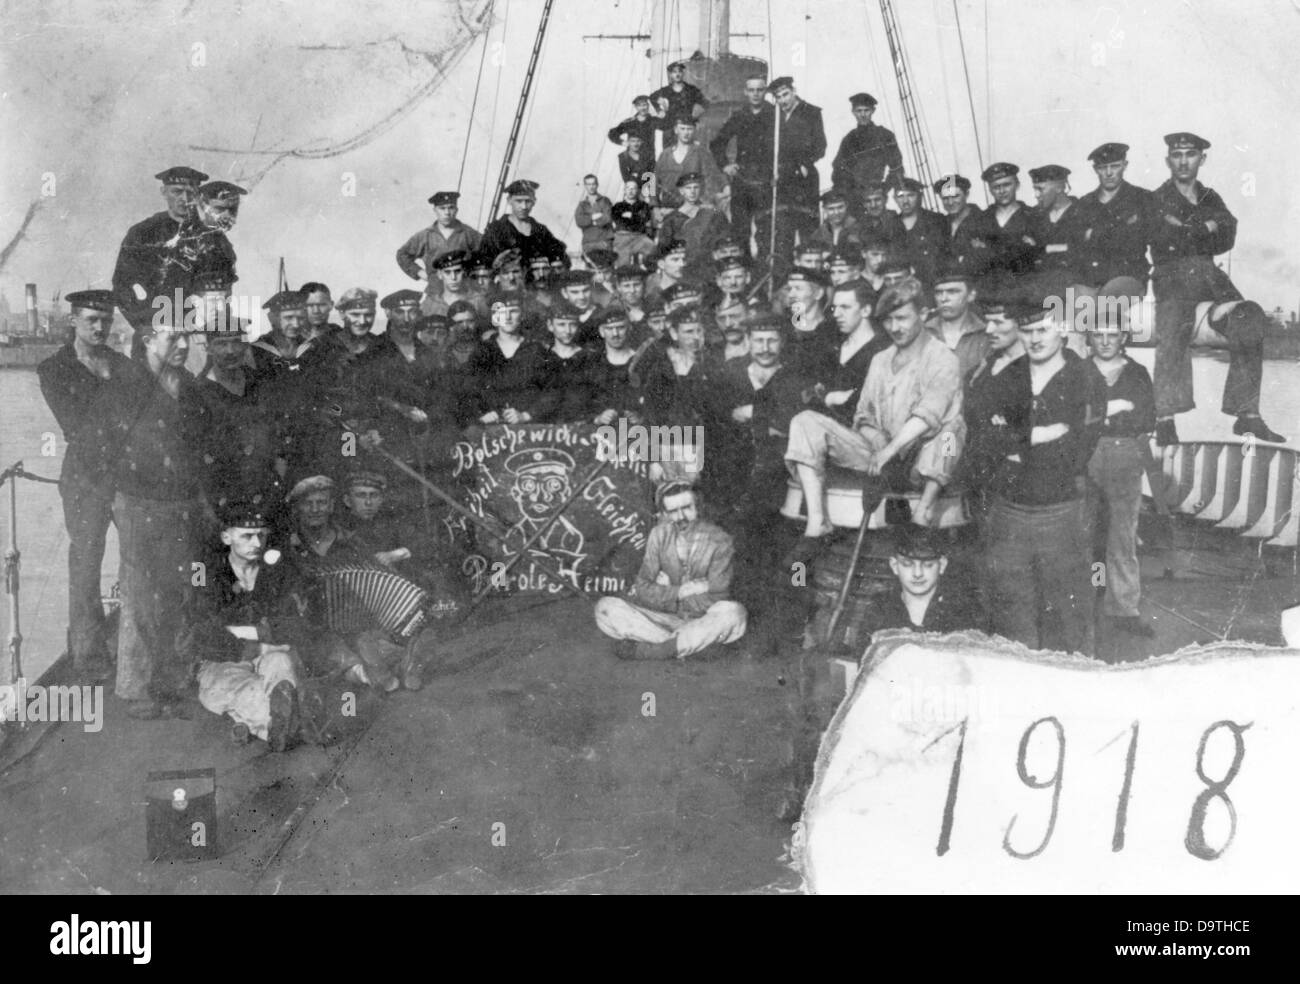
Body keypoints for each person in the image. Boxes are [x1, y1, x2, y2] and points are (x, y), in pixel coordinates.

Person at [784, 278, 963, 560]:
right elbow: (863, 415)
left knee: (951, 431)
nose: (895, 327)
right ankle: (817, 523)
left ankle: (923, 513)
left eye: (902, 318)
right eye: (889, 320)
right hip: (879, 453)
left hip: (923, 461)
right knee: (805, 420)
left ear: (924, 315)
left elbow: (929, 414)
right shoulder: (881, 359)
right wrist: (879, 443)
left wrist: (890, 451)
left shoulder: (943, 358)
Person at [89, 322, 204, 719]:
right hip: (139, 501)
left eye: (188, 337)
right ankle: (137, 686)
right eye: (173, 338)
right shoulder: (126, 385)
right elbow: (102, 441)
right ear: (148, 341)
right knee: (139, 592)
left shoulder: (188, 385)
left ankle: (172, 677)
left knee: (178, 589)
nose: (184, 345)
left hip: (180, 500)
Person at [984, 300, 1105, 655]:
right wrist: (1045, 432)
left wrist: (1017, 441)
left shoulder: (1086, 378)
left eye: (1043, 330)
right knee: (1012, 609)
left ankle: (1078, 688)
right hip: (1010, 511)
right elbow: (987, 439)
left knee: (1071, 612)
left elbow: (1077, 450)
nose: (1034, 338)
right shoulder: (1008, 376)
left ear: (1063, 329)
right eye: (1027, 330)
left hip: (1063, 511)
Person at [1148, 131, 1282, 445]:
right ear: (1169, 159)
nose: (1183, 161)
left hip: (1210, 279)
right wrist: (1206, 227)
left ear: (1201, 159)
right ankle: (1164, 419)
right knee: (1172, 330)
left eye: (1190, 155)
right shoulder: (1156, 199)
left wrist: (1193, 230)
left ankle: (1247, 415)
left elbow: (1228, 232)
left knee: (1249, 317)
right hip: (1173, 279)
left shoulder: (1210, 197)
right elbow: (1168, 240)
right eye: (1177, 155)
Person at [37, 290, 134, 678]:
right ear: (73, 321)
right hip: (85, 479)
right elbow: (76, 426)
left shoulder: (123, 365)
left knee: (139, 560)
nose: (100, 327)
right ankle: (90, 657)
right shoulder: (54, 369)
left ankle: (134, 650)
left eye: (105, 320)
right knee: (86, 563)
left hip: (128, 476)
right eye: (91, 319)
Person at [180, 500, 319, 750]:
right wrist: (263, 640)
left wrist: (247, 632)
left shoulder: (280, 572)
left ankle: (268, 724)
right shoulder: (204, 573)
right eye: (247, 536)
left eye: (261, 535)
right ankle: (286, 723)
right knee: (238, 687)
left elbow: (298, 626)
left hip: (269, 654)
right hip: (222, 663)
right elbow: (202, 631)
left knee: (282, 664)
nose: (256, 543)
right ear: (226, 537)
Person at [594, 482, 746, 660]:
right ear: (665, 514)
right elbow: (643, 588)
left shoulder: (720, 541)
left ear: (699, 507)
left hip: (704, 620)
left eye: (687, 508)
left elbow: (719, 595)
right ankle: (688, 647)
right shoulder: (659, 535)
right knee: (605, 608)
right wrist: (683, 591)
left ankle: (658, 650)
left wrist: (665, 592)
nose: (681, 516)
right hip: (667, 620)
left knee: (734, 612)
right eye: (673, 511)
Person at [1084, 312, 1156, 639]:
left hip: (1125, 455)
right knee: (1084, 533)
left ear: (1124, 337)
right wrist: (1118, 405)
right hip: (1083, 452)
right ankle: (1088, 599)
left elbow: (1146, 417)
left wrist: (1100, 412)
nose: (1105, 341)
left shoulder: (1138, 373)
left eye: (1112, 335)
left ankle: (1124, 608)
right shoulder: (1078, 370)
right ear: (1089, 338)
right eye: (1098, 335)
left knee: (1122, 535)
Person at [110, 167, 230, 358]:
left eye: (191, 193)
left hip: (200, 337)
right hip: (156, 337)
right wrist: (146, 325)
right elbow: (122, 285)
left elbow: (224, 289)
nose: (184, 198)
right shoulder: (143, 233)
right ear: (164, 192)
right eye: (177, 191)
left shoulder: (214, 238)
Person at [862, 525, 981, 637]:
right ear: (894, 565)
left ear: (942, 565)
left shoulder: (963, 610)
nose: (917, 573)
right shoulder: (880, 608)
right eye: (907, 564)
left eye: (928, 565)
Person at [459, 292, 549, 427]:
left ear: (522, 315)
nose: (507, 317)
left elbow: (552, 390)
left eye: (513, 311)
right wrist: (481, 414)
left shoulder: (537, 350)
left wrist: (526, 415)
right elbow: (468, 389)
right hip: (491, 429)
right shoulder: (482, 352)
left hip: (530, 428)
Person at [1072, 142, 1154, 289]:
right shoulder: (1084, 203)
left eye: (1115, 166)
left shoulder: (1142, 198)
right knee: (1073, 302)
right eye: (1103, 168)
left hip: (1128, 277)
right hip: (1091, 279)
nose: (1109, 173)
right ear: (1095, 169)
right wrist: (1120, 232)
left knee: (1104, 305)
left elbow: (1143, 239)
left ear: (1125, 165)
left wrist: (1094, 234)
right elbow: (1077, 246)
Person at [709, 72, 775, 250]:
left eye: (760, 90)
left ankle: (762, 271)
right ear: (745, 92)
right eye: (751, 90)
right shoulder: (739, 116)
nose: (755, 94)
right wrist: (725, 165)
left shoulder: (775, 115)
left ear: (765, 91)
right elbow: (717, 143)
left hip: (767, 181)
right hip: (743, 180)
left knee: (766, 231)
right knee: (740, 231)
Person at [395, 190, 483, 302]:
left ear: (456, 210)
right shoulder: (425, 236)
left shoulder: (468, 234)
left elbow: (487, 253)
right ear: (435, 210)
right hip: (435, 293)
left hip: (464, 294)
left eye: (451, 207)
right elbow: (402, 254)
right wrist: (420, 273)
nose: (447, 212)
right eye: (442, 208)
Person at [971, 162, 1039, 287]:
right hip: (990, 289)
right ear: (990, 190)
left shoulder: (1033, 216)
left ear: (1017, 185)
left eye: (1007, 185)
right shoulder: (980, 220)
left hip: (1025, 288)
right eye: (996, 187)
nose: (1002, 191)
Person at [768, 76, 826, 220]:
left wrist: (805, 164)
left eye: (785, 94)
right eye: (778, 97)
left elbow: (820, 145)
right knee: (784, 227)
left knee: (807, 225)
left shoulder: (811, 112)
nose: (783, 100)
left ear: (794, 91)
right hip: (781, 178)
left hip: (804, 177)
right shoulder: (775, 116)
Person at [1026, 164, 1088, 296]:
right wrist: (1061, 248)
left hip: (1077, 284)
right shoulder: (1034, 215)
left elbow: (1084, 251)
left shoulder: (1083, 212)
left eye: (1040, 189)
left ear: (1059, 188)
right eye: (1034, 189)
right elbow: (1027, 252)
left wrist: (1044, 248)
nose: (1036, 195)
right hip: (1042, 283)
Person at [830, 92, 903, 203]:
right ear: (853, 112)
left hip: (877, 195)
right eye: (859, 111)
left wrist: (884, 189)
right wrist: (849, 191)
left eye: (866, 110)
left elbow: (897, 168)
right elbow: (838, 170)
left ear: (873, 111)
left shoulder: (885, 135)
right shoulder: (849, 140)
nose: (863, 115)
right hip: (854, 197)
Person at [478, 179, 568, 269]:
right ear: (509, 200)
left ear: (534, 202)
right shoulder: (496, 231)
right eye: (519, 201)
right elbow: (483, 264)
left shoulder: (541, 231)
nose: (524, 206)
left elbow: (562, 258)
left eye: (528, 201)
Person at [657, 172, 731, 278]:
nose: (692, 191)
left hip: (709, 266)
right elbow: (664, 247)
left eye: (696, 187)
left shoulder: (714, 214)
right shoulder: (671, 219)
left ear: (701, 190)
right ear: (681, 191)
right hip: (683, 267)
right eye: (688, 188)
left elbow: (722, 240)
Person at [926, 267, 990, 382]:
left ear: (971, 295)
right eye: (938, 293)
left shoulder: (986, 335)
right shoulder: (923, 332)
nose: (944, 299)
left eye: (952, 292)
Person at [653, 116, 727, 213]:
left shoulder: (701, 153)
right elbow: (652, 180)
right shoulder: (665, 154)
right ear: (676, 130)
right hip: (668, 208)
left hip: (693, 209)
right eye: (682, 129)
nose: (686, 133)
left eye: (689, 129)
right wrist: (653, 206)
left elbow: (711, 180)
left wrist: (705, 203)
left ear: (694, 130)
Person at [893, 177, 947, 289]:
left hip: (933, 282)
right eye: (900, 196)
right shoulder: (891, 225)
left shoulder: (936, 220)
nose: (905, 201)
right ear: (894, 199)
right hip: (902, 285)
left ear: (919, 197)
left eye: (910, 195)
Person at [934, 174, 986, 274]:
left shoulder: (984, 220)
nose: (950, 202)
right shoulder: (939, 224)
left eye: (955, 196)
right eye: (945, 198)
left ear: (967, 194)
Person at [650, 61, 707, 142]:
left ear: (683, 73)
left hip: (686, 127)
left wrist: (697, 113)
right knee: (669, 151)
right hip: (670, 127)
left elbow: (705, 102)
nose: (677, 74)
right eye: (674, 72)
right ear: (670, 74)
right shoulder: (666, 90)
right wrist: (659, 110)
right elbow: (652, 97)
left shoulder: (691, 89)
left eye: (679, 71)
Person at [422, 249, 487, 318]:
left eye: (457, 271)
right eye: (447, 272)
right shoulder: (430, 304)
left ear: (464, 272)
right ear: (439, 274)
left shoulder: (478, 301)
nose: (453, 277)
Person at [611, 181, 655, 266]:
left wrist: (631, 215)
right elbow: (618, 220)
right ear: (624, 190)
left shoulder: (643, 205)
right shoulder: (618, 206)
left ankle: (646, 273)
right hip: (622, 236)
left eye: (633, 188)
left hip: (639, 236)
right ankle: (623, 274)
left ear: (637, 191)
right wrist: (637, 217)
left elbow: (644, 218)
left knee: (652, 248)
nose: (630, 191)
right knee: (622, 260)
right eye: (628, 188)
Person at [575, 174, 615, 253]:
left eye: (593, 184)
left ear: (597, 185)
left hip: (604, 240)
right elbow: (579, 221)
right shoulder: (582, 204)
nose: (591, 187)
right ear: (585, 186)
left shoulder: (605, 201)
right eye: (589, 184)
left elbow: (608, 218)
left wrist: (589, 221)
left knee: (606, 264)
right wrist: (593, 217)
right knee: (590, 265)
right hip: (588, 242)